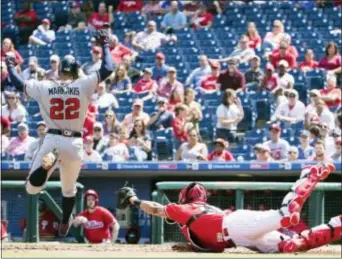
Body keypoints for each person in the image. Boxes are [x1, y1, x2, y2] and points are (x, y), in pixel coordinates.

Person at [5, 28, 114, 236]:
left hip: (53, 139)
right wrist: (105, 45)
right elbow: (108, 67)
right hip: (74, 143)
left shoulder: (46, 85)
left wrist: (11, 67)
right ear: (75, 71)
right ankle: (65, 221)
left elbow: (18, 83)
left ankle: (48, 164)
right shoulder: (83, 83)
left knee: (31, 188)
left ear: (60, 71)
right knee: (69, 189)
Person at [117, 164, 339, 253]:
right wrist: (192, 248)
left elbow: (156, 209)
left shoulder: (187, 209)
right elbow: (216, 248)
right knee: (290, 246)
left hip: (234, 224)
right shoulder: (195, 217)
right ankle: (337, 224)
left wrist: (135, 201)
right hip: (240, 239)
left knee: (287, 215)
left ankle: (308, 175)